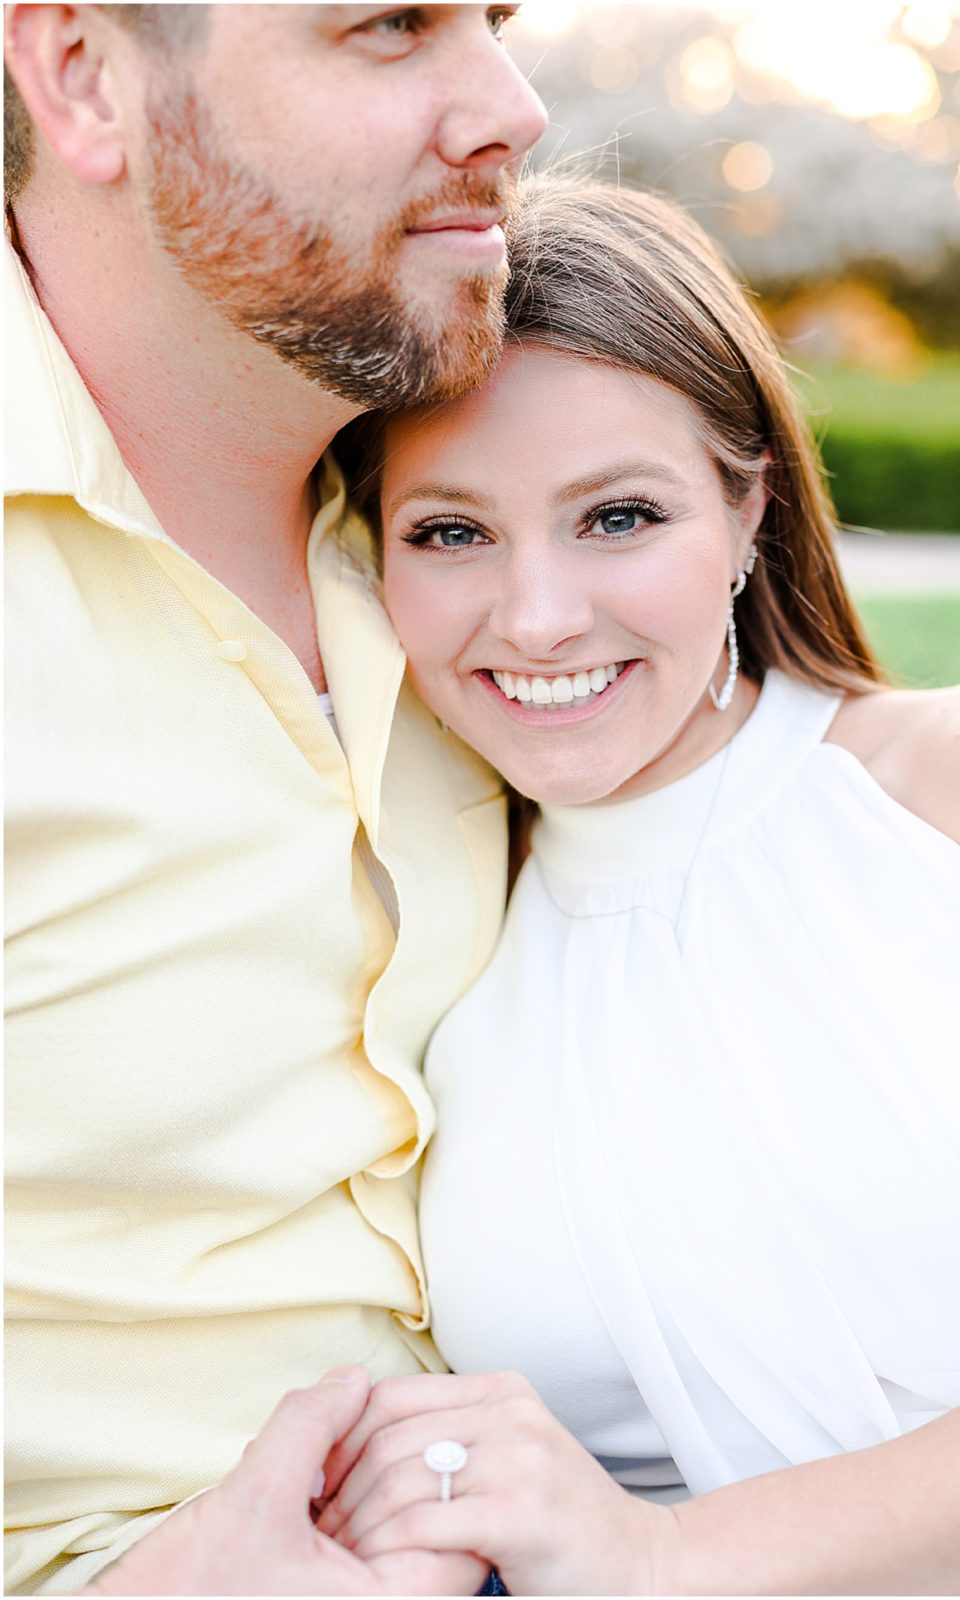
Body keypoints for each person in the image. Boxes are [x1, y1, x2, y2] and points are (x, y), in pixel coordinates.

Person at [316, 174, 960, 1593]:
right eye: (451, 532)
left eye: (617, 518)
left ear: (746, 510)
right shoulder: (433, 963)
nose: (537, 616)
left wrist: (669, 1556)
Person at [4, 4, 545, 1593]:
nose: (509, 106)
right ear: (85, 77)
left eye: (504, 22)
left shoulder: (508, 532)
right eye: (392, 26)